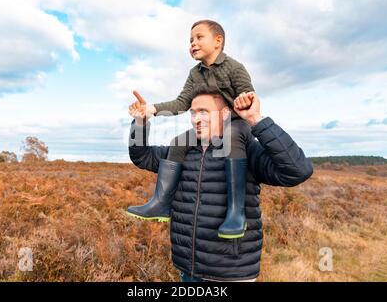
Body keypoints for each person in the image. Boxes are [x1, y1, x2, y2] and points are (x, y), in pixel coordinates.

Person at [128, 85, 313, 281]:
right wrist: (140, 123)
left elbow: (298, 170)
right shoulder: (181, 152)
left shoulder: (246, 151)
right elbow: (143, 157)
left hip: (230, 272)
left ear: (225, 114)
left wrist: (256, 120)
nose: (196, 119)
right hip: (188, 269)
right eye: (193, 113)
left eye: (204, 112)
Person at [127, 19, 257, 239]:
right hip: (209, 131)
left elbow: (249, 97)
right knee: (179, 141)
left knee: (231, 135)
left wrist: (245, 101)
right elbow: (181, 103)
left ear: (218, 41)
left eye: (199, 37)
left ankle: (236, 212)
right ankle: (161, 204)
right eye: (190, 40)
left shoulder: (235, 68)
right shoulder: (194, 74)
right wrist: (151, 109)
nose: (193, 43)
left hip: (235, 123)